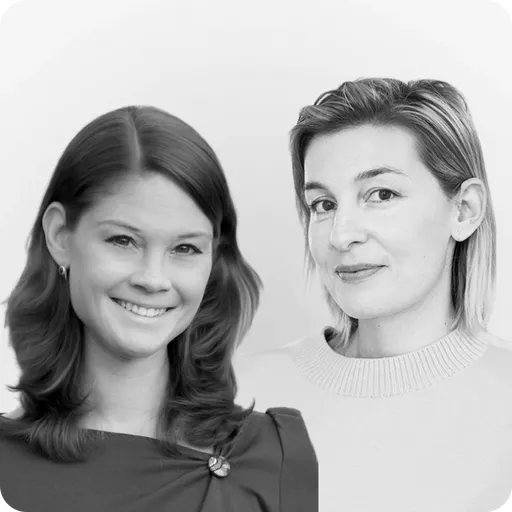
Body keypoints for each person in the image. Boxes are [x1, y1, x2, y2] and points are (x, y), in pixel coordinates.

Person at [0, 106, 318, 512]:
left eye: (185, 248)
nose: (153, 279)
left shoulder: (276, 456)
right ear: (60, 235)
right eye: (123, 240)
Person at [234, 78, 512, 512]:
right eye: (323, 204)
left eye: (381, 194)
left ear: (464, 210)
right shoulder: (240, 393)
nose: (341, 235)